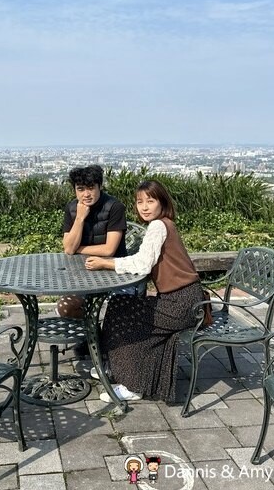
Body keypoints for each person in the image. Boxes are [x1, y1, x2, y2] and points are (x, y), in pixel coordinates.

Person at [85, 180, 204, 403]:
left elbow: (142, 264)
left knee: (125, 312)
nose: (144, 207)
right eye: (140, 202)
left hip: (180, 304)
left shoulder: (159, 226)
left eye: (150, 201)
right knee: (122, 304)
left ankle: (131, 384)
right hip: (188, 301)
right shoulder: (166, 224)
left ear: (162, 202)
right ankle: (116, 368)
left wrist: (106, 263)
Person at [56, 164, 128, 319]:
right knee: (66, 307)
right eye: (80, 189)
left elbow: (109, 250)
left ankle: (105, 337)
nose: (86, 194)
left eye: (91, 188)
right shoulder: (72, 208)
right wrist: (80, 217)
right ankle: (90, 333)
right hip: (82, 273)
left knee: (118, 314)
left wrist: (78, 249)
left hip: (112, 272)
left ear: (100, 186)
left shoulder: (115, 207)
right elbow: (68, 248)